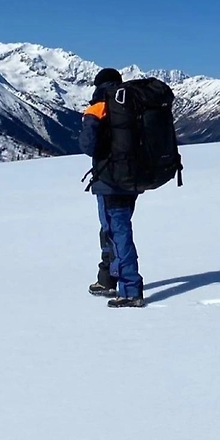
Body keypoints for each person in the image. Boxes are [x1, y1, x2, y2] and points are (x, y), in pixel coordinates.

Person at [79, 68, 146, 307]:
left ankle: (130, 290)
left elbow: (88, 145)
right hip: (132, 179)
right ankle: (107, 279)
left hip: (109, 181)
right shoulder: (133, 104)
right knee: (112, 231)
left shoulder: (99, 106)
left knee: (118, 233)